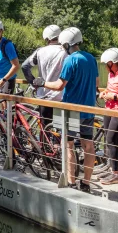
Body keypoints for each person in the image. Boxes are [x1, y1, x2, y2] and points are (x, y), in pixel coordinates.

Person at [32, 27, 99, 193]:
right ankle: (86, 184)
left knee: (68, 145)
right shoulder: (91, 58)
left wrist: (41, 82)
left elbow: (59, 85)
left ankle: (70, 182)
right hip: (89, 109)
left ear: (67, 44)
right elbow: (96, 84)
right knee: (88, 146)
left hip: (70, 109)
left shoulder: (70, 60)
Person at [94, 48, 118, 185]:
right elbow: (110, 89)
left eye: (107, 63)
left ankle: (116, 174)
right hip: (108, 109)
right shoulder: (111, 74)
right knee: (108, 138)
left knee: (111, 138)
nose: (105, 66)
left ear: (113, 62)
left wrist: (115, 97)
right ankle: (112, 170)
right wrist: (104, 92)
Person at [21, 24, 67, 129]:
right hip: (62, 96)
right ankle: (58, 144)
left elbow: (25, 66)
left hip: (44, 95)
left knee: (45, 129)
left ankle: (45, 144)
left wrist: (34, 83)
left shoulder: (40, 51)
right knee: (61, 129)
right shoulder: (65, 52)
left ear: (46, 38)